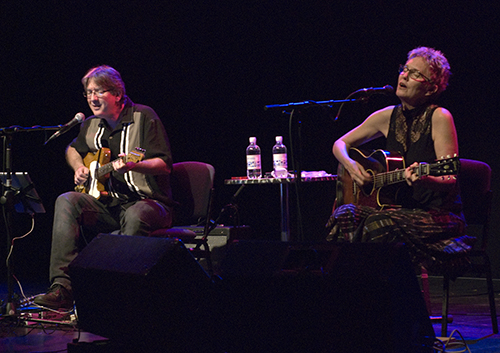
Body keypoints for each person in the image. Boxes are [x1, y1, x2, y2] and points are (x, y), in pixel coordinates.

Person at [35, 65, 175, 309]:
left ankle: (126, 294)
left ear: (118, 94)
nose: (92, 98)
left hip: (150, 204)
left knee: (135, 214)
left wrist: (134, 166)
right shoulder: (90, 125)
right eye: (88, 92)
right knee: (67, 200)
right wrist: (79, 166)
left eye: (99, 91)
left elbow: (164, 165)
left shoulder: (144, 117)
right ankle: (63, 288)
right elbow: (71, 149)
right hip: (109, 205)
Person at [326, 47, 475, 275]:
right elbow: (340, 144)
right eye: (404, 69)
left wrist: (424, 179)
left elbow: (450, 178)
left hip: (437, 217)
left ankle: (382, 296)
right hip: (398, 210)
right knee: (344, 214)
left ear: (431, 88)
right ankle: (343, 290)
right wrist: (352, 167)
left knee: (378, 223)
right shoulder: (387, 116)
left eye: (415, 74)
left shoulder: (440, 117)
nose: (404, 76)